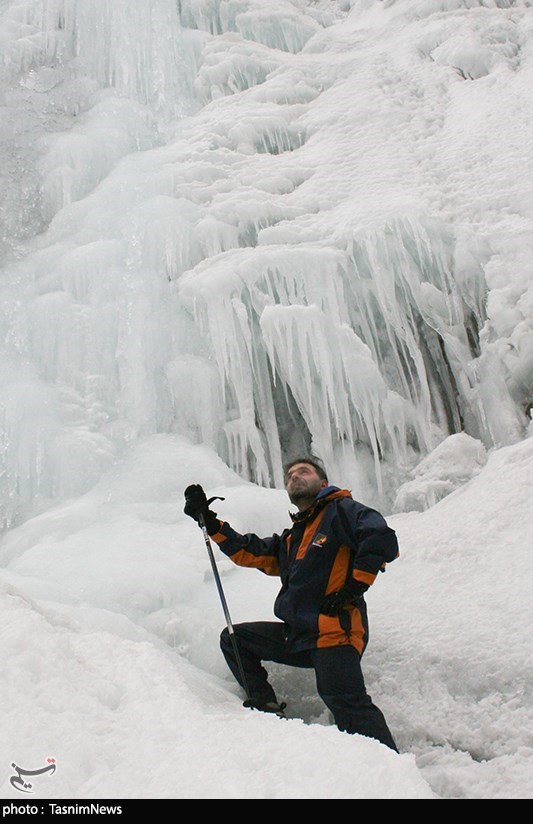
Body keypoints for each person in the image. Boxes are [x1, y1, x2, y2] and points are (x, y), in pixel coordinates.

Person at [184, 457, 399, 751]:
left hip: (334, 633)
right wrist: (210, 522)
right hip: (298, 634)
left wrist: (354, 587)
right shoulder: (293, 539)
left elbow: (379, 536)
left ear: (323, 483)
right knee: (235, 640)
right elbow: (251, 551)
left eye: (303, 472)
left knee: (346, 702)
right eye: (289, 476)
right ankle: (266, 708)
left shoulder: (341, 510)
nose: (294, 477)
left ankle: (389, 773)